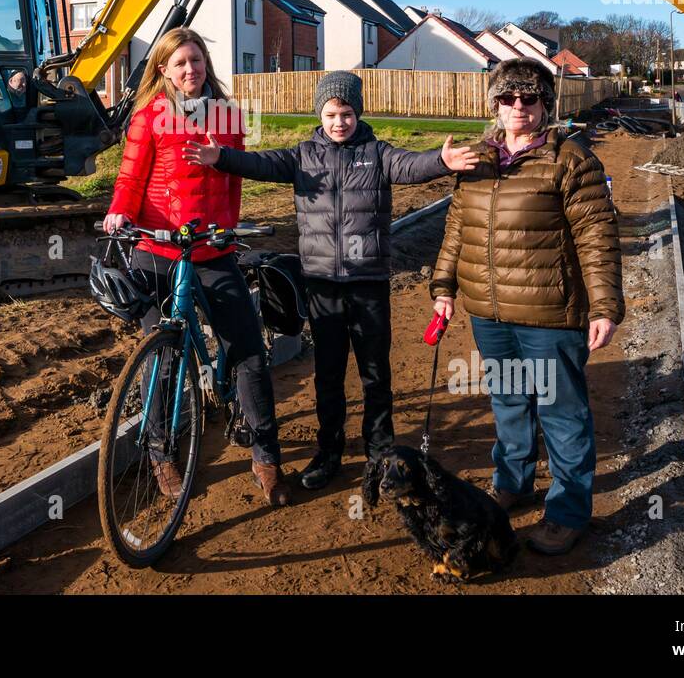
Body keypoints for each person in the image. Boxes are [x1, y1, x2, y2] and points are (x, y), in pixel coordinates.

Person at [186, 70, 480, 491]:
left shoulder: (377, 153)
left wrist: (441, 160)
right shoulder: (304, 155)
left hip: (368, 282)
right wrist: (223, 158)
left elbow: (410, 165)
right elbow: (261, 162)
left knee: (375, 373)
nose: (338, 121)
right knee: (328, 374)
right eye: (330, 114)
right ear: (319, 115)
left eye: (345, 113)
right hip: (321, 285)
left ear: (357, 113)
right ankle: (329, 452)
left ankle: (380, 455)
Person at [429, 58, 624, 556]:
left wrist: (603, 306)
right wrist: (444, 285)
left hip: (549, 314)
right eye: (508, 98)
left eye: (529, 98)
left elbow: (596, 237)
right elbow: (457, 228)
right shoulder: (476, 160)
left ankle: (567, 512)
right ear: (494, 104)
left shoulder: (570, 160)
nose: (518, 107)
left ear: (545, 105)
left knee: (562, 412)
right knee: (509, 401)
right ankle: (513, 482)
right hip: (488, 311)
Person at [104, 28, 292, 507]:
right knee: (163, 357)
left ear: (206, 64)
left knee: (249, 351)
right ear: (163, 69)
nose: (191, 70)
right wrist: (119, 211)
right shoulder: (149, 118)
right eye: (180, 63)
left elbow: (234, 178)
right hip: (157, 250)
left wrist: (227, 228)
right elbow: (130, 177)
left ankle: (267, 456)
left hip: (211, 250)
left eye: (197, 61)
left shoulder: (225, 116)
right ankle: (160, 453)